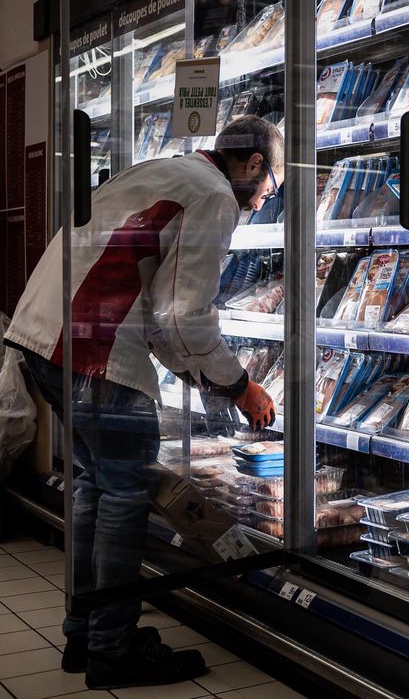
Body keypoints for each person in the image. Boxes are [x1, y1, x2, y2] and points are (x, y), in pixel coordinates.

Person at [3, 115, 281, 690]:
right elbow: (181, 315)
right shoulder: (214, 198)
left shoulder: (167, 169)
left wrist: (203, 378)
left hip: (44, 337)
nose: (266, 200)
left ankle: (84, 633)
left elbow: (163, 316)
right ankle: (113, 647)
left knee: (92, 486)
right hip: (96, 349)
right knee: (124, 494)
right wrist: (238, 384)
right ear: (253, 165)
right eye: (271, 184)